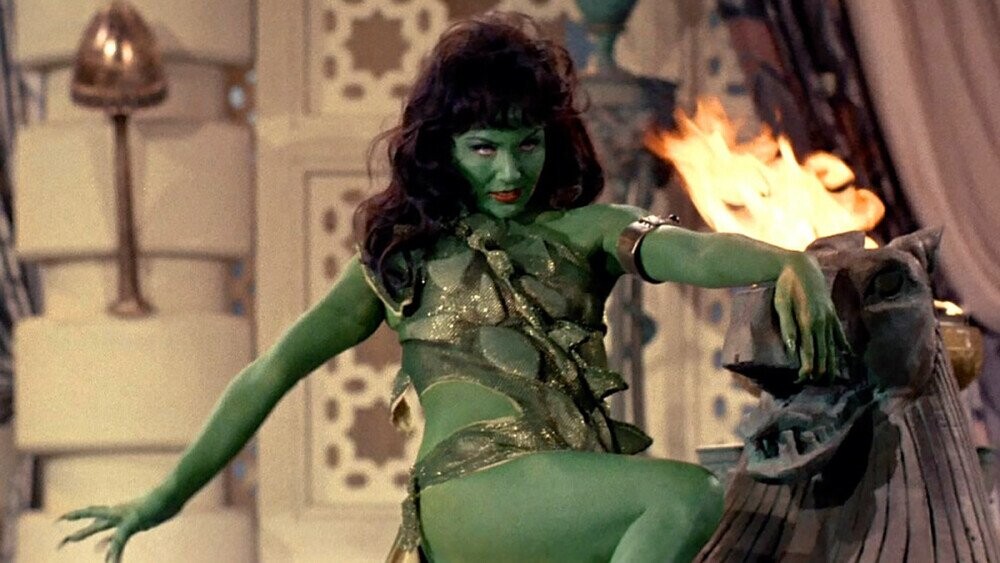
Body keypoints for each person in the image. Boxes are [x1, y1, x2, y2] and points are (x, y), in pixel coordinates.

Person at [61, 12, 847, 563]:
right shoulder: (404, 256)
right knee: (688, 498)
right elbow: (271, 371)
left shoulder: (588, 230)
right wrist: (165, 496)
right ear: (445, 147)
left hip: (560, 505)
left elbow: (695, 252)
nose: (509, 170)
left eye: (526, 145)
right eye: (484, 148)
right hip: (470, 494)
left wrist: (790, 263)